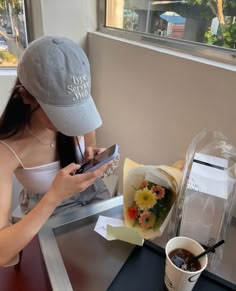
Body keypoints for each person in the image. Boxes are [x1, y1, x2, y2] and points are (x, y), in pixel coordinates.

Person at [0, 35, 114, 267]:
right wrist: (54, 197)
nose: (72, 124)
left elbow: (89, 147)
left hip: (95, 201)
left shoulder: (76, 101)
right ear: (25, 96)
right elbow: (2, 254)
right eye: (60, 113)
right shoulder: (6, 149)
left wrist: (97, 160)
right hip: (49, 218)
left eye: (76, 111)